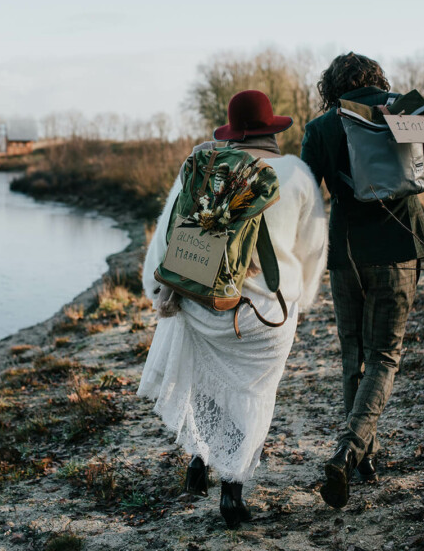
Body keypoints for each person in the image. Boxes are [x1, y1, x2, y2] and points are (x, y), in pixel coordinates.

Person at [138, 90, 327, 527]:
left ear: (231, 132)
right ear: (271, 130)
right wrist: (304, 298)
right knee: (253, 393)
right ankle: (233, 490)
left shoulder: (204, 171)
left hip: (203, 305)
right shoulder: (296, 174)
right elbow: (314, 250)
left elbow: (165, 243)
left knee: (206, 383)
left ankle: (200, 462)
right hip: (262, 316)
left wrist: (159, 293)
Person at [300, 52, 424, 508]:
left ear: (332, 85)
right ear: (377, 77)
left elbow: (308, 192)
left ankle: (364, 455)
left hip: (346, 250)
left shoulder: (323, 125)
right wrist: (414, 117)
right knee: (384, 355)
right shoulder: (402, 108)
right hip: (399, 245)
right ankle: (350, 450)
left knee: (355, 353)